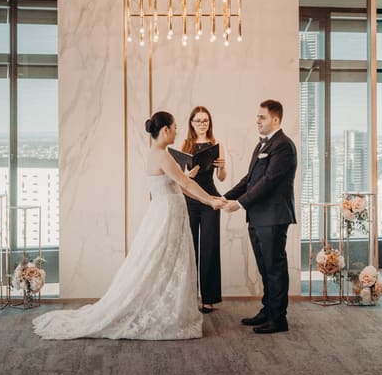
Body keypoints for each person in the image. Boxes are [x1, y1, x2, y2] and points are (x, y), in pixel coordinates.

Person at [32, 111, 224, 340]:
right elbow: (185, 182)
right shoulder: (163, 155)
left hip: (164, 213)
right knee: (167, 261)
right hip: (168, 214)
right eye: (175, 127)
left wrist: (208, 200)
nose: (176, 131)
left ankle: (164, 303)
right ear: (165, 130)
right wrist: (211, 200)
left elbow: (181, 184)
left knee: (161, 261)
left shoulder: (156, 153)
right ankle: (163, 308)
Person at [223, 99, 297, 334]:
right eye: (257, 117)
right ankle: (268, 310)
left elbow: (269, 181)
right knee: (265, 268)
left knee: (274, 267)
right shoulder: (262, 146)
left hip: (273, 216)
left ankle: (279, 319)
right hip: (257, 217)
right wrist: (224, 197)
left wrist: (240, 203)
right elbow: (250, 179)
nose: (257, 120)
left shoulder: (283, 145)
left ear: (275, 119)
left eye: (261, 117)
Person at [181, 106, 227, 313]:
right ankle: (189, 297)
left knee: (209, 249)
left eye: (205, 121)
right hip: (190, 199)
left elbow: (222, 178)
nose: (202, 124)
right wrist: (188, 175)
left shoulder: (217, 145)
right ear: (191, 123)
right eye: (198, 121)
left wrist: (222, 166)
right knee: (190, 249)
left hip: (210, 200)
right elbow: (180, 179)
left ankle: (208, 298)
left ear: (210, 123)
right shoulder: (185, 145)